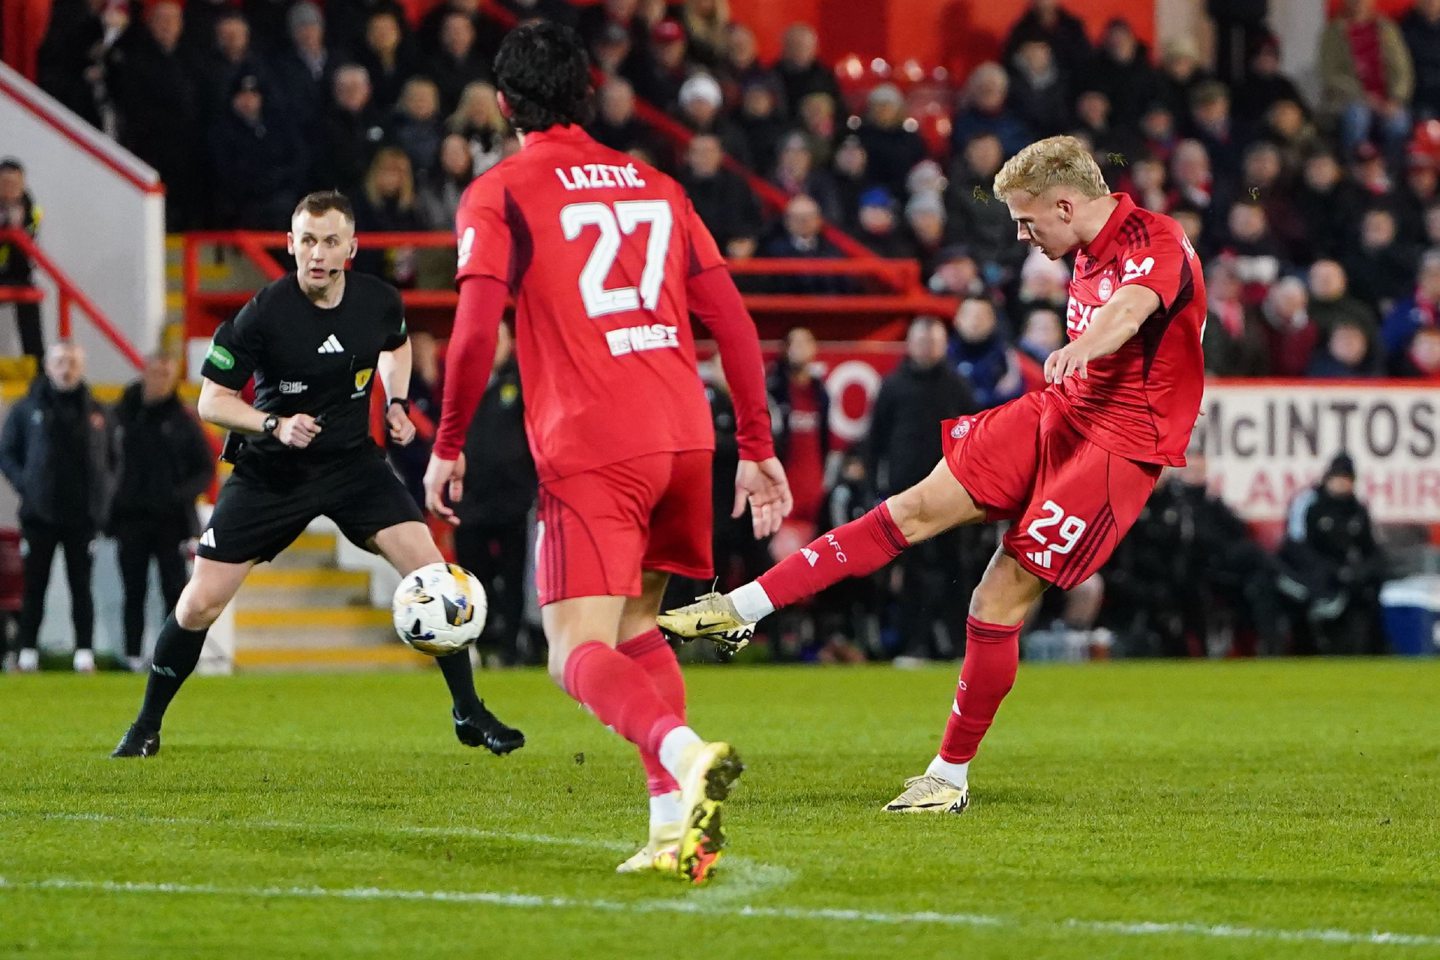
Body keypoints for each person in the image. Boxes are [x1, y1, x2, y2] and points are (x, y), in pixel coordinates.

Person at [661, 135, 1207, 815]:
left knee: (997, 596)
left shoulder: (1156, 240)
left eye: (1026, 220)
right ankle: (740, 610)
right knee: (913, 507)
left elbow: (1129, 311)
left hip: (1118, 447)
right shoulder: (1084, 246)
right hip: (1060, 411)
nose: (1021, 235)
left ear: (1065, 205)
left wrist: (1084, 347)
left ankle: (948, 777)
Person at [420, 22, 789, 882]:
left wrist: (448, 442)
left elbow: (472, 333)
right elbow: (733, 321)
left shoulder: (500, 190)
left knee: (571, 651)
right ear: (588, 94)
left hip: (594, 438)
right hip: (685, 433)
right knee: (634, 628)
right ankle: (671, 831)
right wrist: (755, 444)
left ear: (503, 104)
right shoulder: (658, 184)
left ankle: (688, 754)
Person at [109, 191, 524, 759]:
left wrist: (396, 402)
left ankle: (468, 711)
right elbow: (211, 401)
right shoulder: (263, 313)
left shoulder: (377, 300)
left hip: (352, 466)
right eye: (307, 240)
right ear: (290, 244)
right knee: (200, 603)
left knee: (435, 577)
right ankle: (146, 726)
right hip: (271, 472)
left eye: (330, 241)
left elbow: (396, 346)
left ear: (350, 248)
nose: (318, 253)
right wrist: (273, 424)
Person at [0, 342, 118, 673]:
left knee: (82, 586)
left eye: (72, 362)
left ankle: (84, 653)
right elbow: (7, 453)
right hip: (39, 516)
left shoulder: (97, 411)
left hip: (82, 516)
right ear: (49, 366)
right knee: (34, 586)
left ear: (82, 367)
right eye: (60, 362)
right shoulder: (27, 409)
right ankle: (26, 652)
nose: (66, 369)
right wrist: (27, 485)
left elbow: (114, 458)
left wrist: (102, 496)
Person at [110, 354, 215, 673]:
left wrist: (177, 496)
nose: (162, 380)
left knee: (174, 590)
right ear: (144, 372)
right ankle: (132, 654)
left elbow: (205, 469)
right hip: (130, 518)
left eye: (168, 374)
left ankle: (171, 655)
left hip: (172, 521)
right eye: (157, 372)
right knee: (133, 589)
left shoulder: (183, 420)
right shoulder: (120, 416)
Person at [453, 324, 538, 667]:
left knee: (514, 577)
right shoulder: (462, 381)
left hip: (513, 499)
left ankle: (509, 648)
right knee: (472, 579)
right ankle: (475, 643)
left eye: (497, 339)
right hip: (470, 500)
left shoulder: (521, 380)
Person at [0, 158, 44, 360]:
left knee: (30, 301)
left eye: (15, 183)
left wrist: (16, 224)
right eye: (5, 183)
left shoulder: (32, 209)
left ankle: (37, 365)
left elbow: (28, 243)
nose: (10, 188)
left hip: (19, 274)